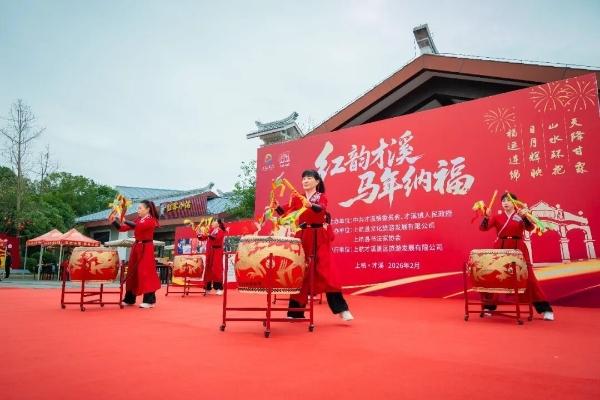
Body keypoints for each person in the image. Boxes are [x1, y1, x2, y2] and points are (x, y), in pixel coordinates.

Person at [275, 169, 354, 321]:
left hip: (319, 237)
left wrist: (310, 205)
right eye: (303, 178)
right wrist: (276, 206)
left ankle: (341, 309)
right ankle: (296, 312)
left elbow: (321, 209)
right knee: (301, 272)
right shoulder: (297, 198)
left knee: (327, 271)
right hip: (303, 236)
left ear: (317, 181)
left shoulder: (321, 196)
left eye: (309, 178)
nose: (305, 181)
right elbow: (284, 211)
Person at [479, 192, 554, 320]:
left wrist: (524, 217)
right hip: (501, 248)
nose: (505, 203)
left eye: (508, 200)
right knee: (495, 276)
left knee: (529, 278)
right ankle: (488, 306)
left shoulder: (520, 215)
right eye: (503, 201)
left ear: (514, 203)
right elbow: (483, 228)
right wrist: (486, 217)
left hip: (518, 248)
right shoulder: (497, 217)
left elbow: (530, 228)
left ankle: (545, 309)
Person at [112, 200, 161, 308]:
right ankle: (129, 299)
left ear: (147, 209)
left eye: (140, 208)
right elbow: (123, 228)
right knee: (132, 272)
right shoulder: (139, 219)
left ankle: (149, 301)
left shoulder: (151, 220)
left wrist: (124, 219)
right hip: (136, 247)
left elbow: (138, 226)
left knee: (146, 272)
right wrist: (114, 221)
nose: (138, 210)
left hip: (146, 247)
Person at [198, 219, 226, 295]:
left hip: (217, 251)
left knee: (217, 268)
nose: (212, 224)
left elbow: (216, 239)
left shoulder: (220, 231)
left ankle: (219, 288)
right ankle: (207, 288)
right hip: (209, 251)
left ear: (218, 224)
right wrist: (199, 234)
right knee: (208, 268)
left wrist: (208, 235)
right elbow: (203, 237)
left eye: (214, 223)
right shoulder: (210, 230)